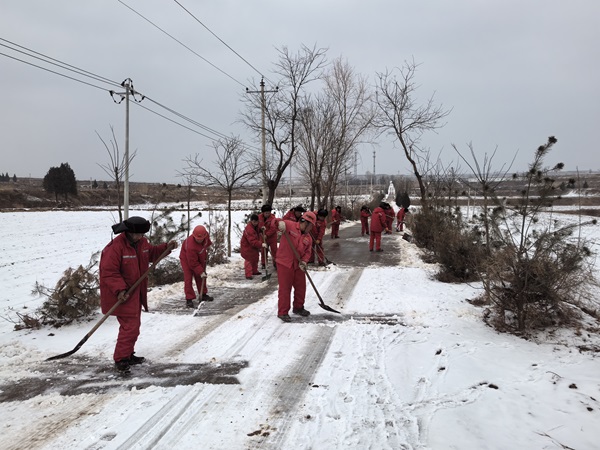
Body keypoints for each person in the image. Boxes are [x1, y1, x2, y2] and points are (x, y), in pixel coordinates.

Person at [100, 216, 177, 373]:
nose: (141, 237)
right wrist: (120, 290)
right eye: (138, 234)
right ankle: (121, 359)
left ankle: (127, 354)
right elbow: (109, 272)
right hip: (123, 294)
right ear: (129, 232)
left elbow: (151, 253)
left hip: (135, 292)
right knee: (130, 327)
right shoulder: (115, 248)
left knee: (133, 327)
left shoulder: (141, 243)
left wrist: (166, 248)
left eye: (143, 234)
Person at [274, 211, 316, 322]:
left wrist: (304, 262)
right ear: (305, 222)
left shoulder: (308, 238)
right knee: (285, 288)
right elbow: (275, 222)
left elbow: (307, 252)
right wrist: (279, 224)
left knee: (301, 287)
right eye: (310, 225)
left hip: (298, 265)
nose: (311, 228)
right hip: (284, 263)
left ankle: (298, 307)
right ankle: (282, 312)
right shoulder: (289, 225)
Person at [180, 225, 213, 308]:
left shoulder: (205, 236)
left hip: (199, 256)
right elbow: (193, 263)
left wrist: (208, 246)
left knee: (201, 277)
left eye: (201, 239)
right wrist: (200, 271)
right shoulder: (190, 246)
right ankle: (189, 299)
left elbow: (207, 242)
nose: (199, 240)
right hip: (187, 259)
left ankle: (203, 294)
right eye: (197, 239)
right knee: (188, 278)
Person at [241, 214, 265, 280]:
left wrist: (261, 229)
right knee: (249, 259)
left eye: (256, 222)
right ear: (251, 221)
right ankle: (248, 274)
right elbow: (252, 241)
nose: (255, 223)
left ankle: (254, 271)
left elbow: (257, 230)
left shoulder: (255, 226)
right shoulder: (249, 229)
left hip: (253, 247)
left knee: (255, 258)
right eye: (254, 222)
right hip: (247, 246)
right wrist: (261, 244)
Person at [258, 204, 278, 269]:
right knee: (264, 250)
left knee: (274, 251)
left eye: (268, 212)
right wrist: (260, 233)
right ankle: (264, 263)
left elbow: (273, 228)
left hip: (272, 237)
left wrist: (267, 235)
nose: (267, 214)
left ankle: (276, 263)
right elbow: (258, 227)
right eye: (266, 213)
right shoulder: (259, 218)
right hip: (263, 237)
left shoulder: (273, 219)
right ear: (263, 213)